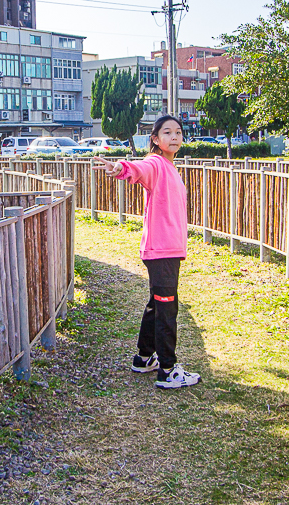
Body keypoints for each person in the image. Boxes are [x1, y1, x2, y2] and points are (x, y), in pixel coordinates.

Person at [92, 115, 201, 389]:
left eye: (178, 132)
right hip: (161, 249)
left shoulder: (170, 166)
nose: (174, 137)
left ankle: (144, 358)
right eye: (167, 132)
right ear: (155, 138)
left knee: (158, 303)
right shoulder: (156, 163)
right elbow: (138, 168)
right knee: (167, 307)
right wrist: (119, 167)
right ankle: (168, 370)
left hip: (168, 249)